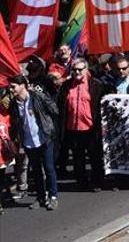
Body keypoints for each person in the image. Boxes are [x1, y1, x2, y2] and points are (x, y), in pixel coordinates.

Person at [8, 75, 59, 211]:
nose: (11, 90)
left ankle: (53, 196)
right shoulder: (14, 103)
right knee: (35, 170)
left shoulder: (37, 97)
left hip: (44, 138)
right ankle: (40, 197)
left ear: (23, 85)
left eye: (13, 87)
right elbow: (15, 121)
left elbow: (54, 109)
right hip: (28, 141)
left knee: (49, 168)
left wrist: (49, 126)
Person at [57, 59, 106, 191]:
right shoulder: (66, 85)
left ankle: (97, 182)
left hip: (91, 128)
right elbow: (61, 105)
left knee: (94, 156)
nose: (77, 72)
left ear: (86, 69)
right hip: (72, 128)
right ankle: (82, 182)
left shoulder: (96, 85)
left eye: (80, 69)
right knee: (78, 158)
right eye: (74, 70)